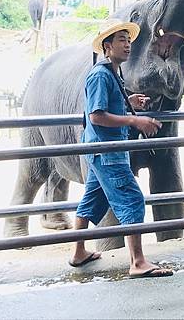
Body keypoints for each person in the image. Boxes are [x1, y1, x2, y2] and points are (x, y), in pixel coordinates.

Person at [68, 18, 174, 278]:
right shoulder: (100, 75)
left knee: (91, 200)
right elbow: (96, 115)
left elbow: (109, 106)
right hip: (108, 151)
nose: (127, 45)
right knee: (132, 199)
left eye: (128, 40)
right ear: (106, 46)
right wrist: (134, 119)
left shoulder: (113, 73)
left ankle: (78, 252)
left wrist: (129, 102)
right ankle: (137, 262)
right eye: (121, 41)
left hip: (104, 149)